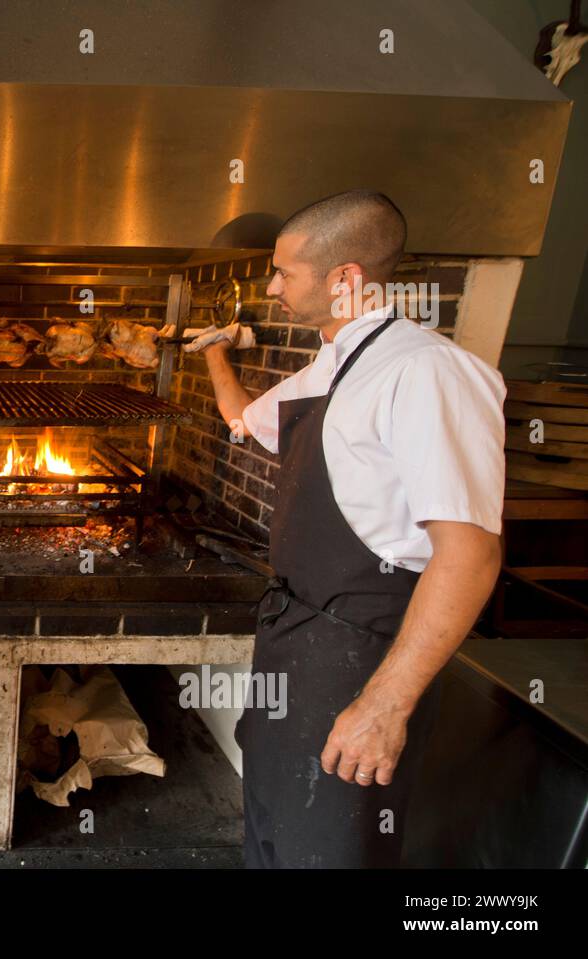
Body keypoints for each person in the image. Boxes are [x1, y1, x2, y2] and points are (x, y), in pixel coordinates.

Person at [196, 190, 505, 868]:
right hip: (295, 641)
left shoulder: (426, 373)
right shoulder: (329, 367)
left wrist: (386, 704)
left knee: (331, 848)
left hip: (361, 659)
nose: (272, 286)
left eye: (285, 272)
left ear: (345, 279)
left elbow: (471, 552)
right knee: (271, 831)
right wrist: (216, 351)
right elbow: (243, 419)